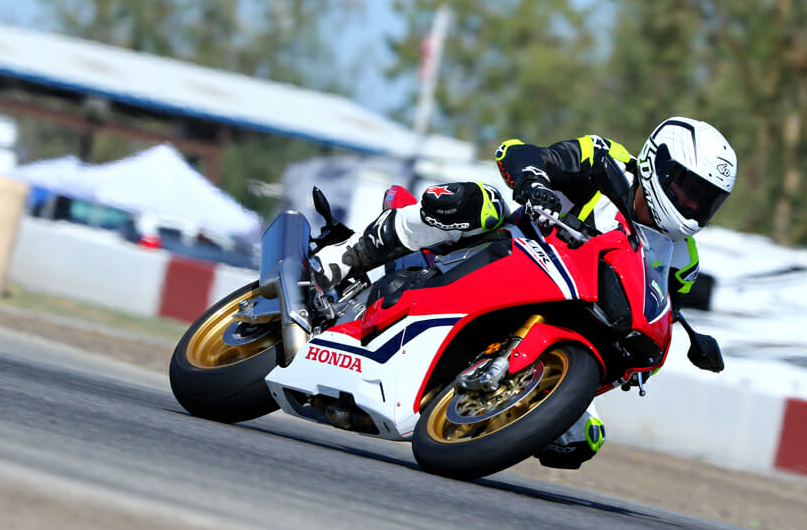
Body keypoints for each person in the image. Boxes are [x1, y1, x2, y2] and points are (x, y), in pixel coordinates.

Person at [314, 116, 738, 469]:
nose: (692, 203)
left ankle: (489, 410)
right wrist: (535, 180)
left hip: (569, 316)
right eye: (686, 187)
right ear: (656, 165)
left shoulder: (684, 260)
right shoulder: (608, 162)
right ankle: (348, 256)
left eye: (706, 199)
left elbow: (663, 307)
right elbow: (520, 152)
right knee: (480, 202)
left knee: (581, 441)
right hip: (504, 252)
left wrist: (660, 350)